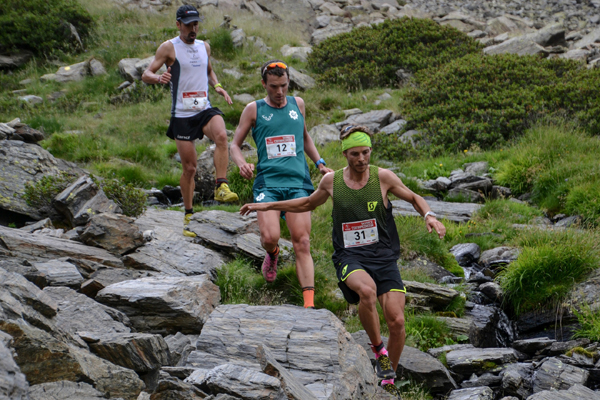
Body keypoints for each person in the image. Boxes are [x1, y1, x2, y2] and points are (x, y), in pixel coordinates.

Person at [239, 125, 446, 398]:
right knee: (367, 292)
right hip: (350, 256)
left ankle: (387, 380)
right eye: (355, 154)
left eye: (366, 152)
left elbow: (414, 197)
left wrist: (429, 215)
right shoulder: (332, 182)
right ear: (345, 154)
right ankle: (379, 351)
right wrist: (266, 206)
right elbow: (306, 204)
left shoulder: (383, 177)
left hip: (383, 257)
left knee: (396, 321)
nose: (361, 159)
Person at [230, 60, 333, 309]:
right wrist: (242, 162)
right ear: (264, 84)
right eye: (274, 87)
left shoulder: (298, 105)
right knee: (269, 236)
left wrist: (319, 162)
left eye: (284, 86)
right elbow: (234, 144)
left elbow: (304, 136)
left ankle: (309, 304)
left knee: (302, 241)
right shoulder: (253, 109)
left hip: (298, 183)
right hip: (268, 183)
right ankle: (273, 254)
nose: (279, 92)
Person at [142, 4, 239, 238]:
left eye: (196, 24)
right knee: (190, 168)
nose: (193, 28)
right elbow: (146, 74)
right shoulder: (168, 48)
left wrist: (218, 87)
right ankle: (188, 216)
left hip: (203, 108)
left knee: (222, 135)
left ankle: (221, 187)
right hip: (182, 115)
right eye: (188, 25)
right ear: (178, 25)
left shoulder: (204, 46)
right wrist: (158, 78)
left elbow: (208, 71)